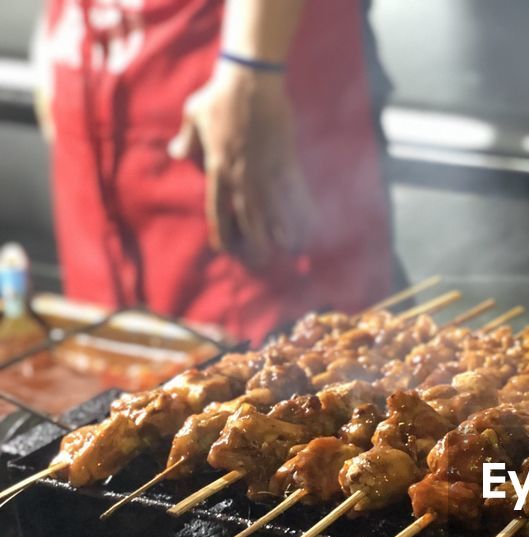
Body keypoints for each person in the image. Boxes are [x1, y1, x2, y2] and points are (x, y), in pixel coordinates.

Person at [34, 0, 396, 344]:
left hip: (242, 63)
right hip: (89, 56)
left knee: (298, 376)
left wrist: (252, 66)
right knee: (106, 365)